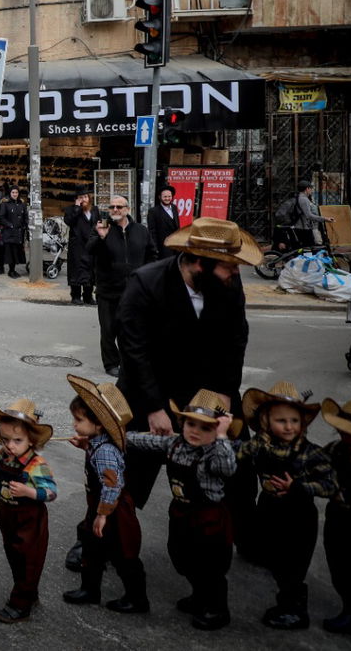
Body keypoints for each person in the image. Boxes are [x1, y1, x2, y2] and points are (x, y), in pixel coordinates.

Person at [115, 217, 254, 514]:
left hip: (209, 387)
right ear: (200, 264)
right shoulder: (146, 283)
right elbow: (133, 349)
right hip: (150, 386)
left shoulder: (228, 282)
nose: (236, 271)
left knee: (238, 466)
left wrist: (226, 390)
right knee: (126, 472)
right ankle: (97, 541)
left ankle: (247, 534)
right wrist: (154, 407)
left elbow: (236, 338)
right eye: (229, 265)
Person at [123, 389, 236, 630]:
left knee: (210, 566)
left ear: (216, 431)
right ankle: (199, 595)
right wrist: (118, 436)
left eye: (206, 428)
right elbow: (145, 441)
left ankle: (217, 608)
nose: (196, 431)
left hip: (208, 518)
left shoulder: (216, 451)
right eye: (191, 424)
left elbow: (228, 468)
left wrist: (224, 436)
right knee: (181, 557)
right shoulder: (175, 443)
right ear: (182, 423)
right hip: (181, 514)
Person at [236, 381, 338, 629]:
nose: (289, 426)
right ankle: (279, 580)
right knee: (276, 557)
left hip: (298, 518)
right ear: (265, 422)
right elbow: (236, 453)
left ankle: (294, 610)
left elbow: (331, 484)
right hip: (270, 509)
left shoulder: (310, 453)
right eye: (281, 421)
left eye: (294, 420)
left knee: (293, 565)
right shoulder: (260, 445)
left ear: (302, 423)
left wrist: (300, 486)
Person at [0, 398, 57, 623]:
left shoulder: (37, 464)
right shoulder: (4, 455)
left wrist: (29, 492)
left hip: (30, 520)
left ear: (32, 440)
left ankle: (20, 604)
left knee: (28, 560)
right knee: (14, 557)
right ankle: (28, 593)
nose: (10, 445)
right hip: (7, 515)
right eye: (6, 440)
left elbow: (52, 492)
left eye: (17, 440)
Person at [63, 375, 148, 615]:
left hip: (113, 511)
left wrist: (102, 515)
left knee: (123, 554)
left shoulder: (106, 452)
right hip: (100, 507)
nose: (74, 425)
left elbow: (112, 484)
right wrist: (85, 446)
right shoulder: (97, 444)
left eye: (78, 420)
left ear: (99, 424)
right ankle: (90, 589)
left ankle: (137, 598)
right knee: (92, 549)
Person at [88, 195, 154, 377]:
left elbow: (152, 254)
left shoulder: (141, 231)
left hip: (133, 291)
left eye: (119, 206)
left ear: (128, 209)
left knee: (130, 331)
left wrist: (146, 278)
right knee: (108, 330)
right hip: (108, 290)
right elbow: (89, 250)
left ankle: (128, 362)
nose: (115, 210)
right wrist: (101, 237)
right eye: (112, 207)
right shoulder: (103, 228)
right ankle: (111, 363)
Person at [319, 394, 351, 635]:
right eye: (346, 431)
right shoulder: (336, 449)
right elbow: (313, 463)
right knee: (339, 564)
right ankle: (350, 609)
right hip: (338, 517)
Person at [64, 188, 99, 305]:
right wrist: (77, 208)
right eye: (80, 197)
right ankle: (75, 296)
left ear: (89, 198)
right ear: (76, 199)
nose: (83, 199)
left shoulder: (94, 210)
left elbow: (99, 223)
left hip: (91, 244)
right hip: (77, 245)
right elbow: (69, 221)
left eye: (85, 197)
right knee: (76, 270)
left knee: (90, 270)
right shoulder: (71, 209)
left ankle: (88, 296)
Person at [0, 187, 29, 277]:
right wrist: (10, 225)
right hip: (9, 232)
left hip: (19, 232)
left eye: (16, 192)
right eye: (13, 192)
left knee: (16, 252)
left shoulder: (22, 204)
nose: (15, 194)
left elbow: (25, 216)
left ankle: (13, 270)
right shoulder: (5, 204)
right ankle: (11, 271)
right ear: (10, 193)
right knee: (11, 252)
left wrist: (26, 225)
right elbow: (1, 217)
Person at [145, 185, 181, 259]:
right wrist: (155, 248)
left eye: (169, 196)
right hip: (163, 248)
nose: (167, 198)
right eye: (165, 197)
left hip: (175, 245)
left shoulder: (174, 208)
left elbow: (177, 226)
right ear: (159, 197)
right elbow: (152, 232)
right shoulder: (153, 211)